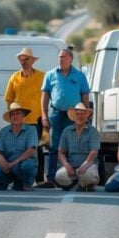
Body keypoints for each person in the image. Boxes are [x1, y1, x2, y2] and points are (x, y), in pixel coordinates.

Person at [39, 48, 89, 188]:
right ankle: (50, 179)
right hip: (56, 114)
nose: (61, 59)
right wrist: (44, 114)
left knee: (72, 146)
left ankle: (71, 178)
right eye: (59, 57)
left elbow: (85, 95)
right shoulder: (50, 75)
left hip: (74, 115)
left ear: (70, 59)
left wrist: (86, 114)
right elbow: (45, 96)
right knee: (55, 146)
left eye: (64, 57)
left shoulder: (79, 76)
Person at [4, 47, 45, 181]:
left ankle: (38, 179)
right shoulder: (14, 77)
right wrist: (12, 117)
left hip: (35, 119)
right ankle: (18, 176)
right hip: (18, 120)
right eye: (22, 59)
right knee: (18, 148)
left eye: (27, 59)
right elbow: (9, 99)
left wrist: (44, 115)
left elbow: (47, 96)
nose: (24, 61)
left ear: (33, 61)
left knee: (36, 149)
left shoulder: (41, 76)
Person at [0, 102, 38, 191]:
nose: (16, 116)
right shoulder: (3, 131)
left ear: (23, 116)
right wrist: (3, 162)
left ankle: (26, 183)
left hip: (23, 163)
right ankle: (6, 182)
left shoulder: (31, 130)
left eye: (18, 113)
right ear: (10, 117)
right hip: (8, 163)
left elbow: (31, 150)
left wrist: (14, 162)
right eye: (13, 114)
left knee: (28, 166)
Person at [55, 102, 100, 191]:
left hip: (88, 164)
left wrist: (85, 165)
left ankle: (83, 184)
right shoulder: (66, 131)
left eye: (82, 114)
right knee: (59, 176)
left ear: (87, 116)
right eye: (77, 114)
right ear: (73, 117)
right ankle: (78, 182)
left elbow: (94, 152)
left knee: (89, 176)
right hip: (72, 165)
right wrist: (67, 165)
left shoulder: (93, 131)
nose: (80, 116)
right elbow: (61, 152)